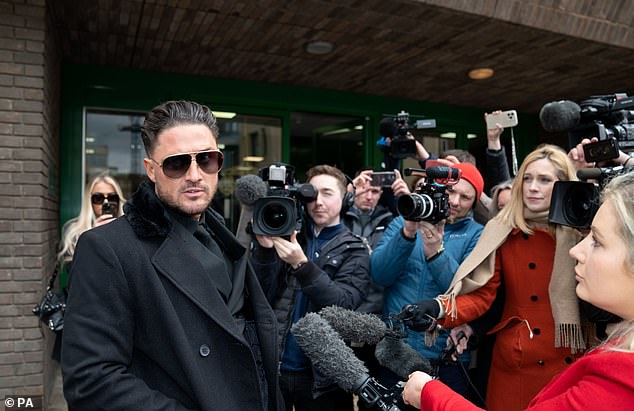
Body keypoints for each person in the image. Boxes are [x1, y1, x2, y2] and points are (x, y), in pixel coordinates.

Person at [61, 100, 284, 411]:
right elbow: (91, 381)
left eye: (206, 159)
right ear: (151, 170)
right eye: (177, 164)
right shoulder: (108, 249)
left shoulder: (223, 235)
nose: (194, 175)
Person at [402, 170, 634, 410]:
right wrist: (440, 308)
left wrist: (429, 394)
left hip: (564, 354)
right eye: (527, 178)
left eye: (544, 180)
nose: (533, 187)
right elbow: (484, 294)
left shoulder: (577, 233)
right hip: (515, 358)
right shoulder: (502, 230)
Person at [251, 164, 371, 411]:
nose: (318, 201)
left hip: (323, 377)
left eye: (327, 193)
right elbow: (260, 294)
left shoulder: (355, 249)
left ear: (344, 198)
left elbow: (345, 304)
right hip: (276, 367)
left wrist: (302, 265)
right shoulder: (285, 232)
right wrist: (264, 250)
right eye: (312, 193)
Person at [371, 162, 484, 397]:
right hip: (396, 352)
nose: (454, 202)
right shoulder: (400, 222)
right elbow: (380, 274)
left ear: (475, 203)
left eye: (465, 197)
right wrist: (407, 233)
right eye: (451, 192)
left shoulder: (477, 234)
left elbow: (465, 293)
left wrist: (436, 251)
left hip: (445, 357)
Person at [57, 173, 125, 270]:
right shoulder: (74, 232)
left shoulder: (129, 229)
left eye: (112, 198)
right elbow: (74, 272)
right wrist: (92, 237)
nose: (106, 203)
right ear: (89, 201)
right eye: (98, 198)